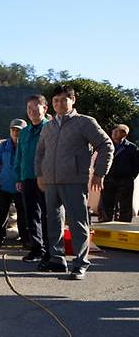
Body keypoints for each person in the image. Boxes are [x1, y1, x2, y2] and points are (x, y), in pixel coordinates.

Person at [35, 85, 113, 280]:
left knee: (78, 223)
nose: (59, 104)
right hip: (51, 182)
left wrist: (99, 173)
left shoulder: (84, 123)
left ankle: (80, 263)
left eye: (63, 99)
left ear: (73, 100)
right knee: (53, 222)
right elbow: (40, 153)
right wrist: (39, 174)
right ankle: (57, 259)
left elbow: (106, 145)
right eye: (55, 101)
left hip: (74, 181)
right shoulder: (48, 126)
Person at [14, 95, 51, 263]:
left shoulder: (50, 129)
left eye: (36, 107)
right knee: (31, 215)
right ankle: (37, 249)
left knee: (48, 215)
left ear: (45, 109)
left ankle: (51, 252)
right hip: (27, 178)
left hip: (45, 179)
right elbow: (19, 156)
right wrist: (19, 177)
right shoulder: (25, 132)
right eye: (29, 108)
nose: (32, 111)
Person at [0, 118, 29, 247]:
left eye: (18, 130)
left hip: (22, 185)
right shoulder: (2, 146)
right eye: (13, 130)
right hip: (5, 184)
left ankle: (25, 239)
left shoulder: (27, 145)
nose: (15, 132)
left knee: (23, 213)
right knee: (1, 212)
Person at [99, 124, 139, 222]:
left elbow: (137, 165)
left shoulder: (131, 148)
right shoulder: (107, 145)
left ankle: (123, 225)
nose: (114, 133)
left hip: (125, 179)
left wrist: (130, 176)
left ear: (124, 134)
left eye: (117, 131)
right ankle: (106, 222)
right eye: (113, 131)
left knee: (125, 204)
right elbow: (100, 160)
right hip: (109, 178)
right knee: (107, 203)